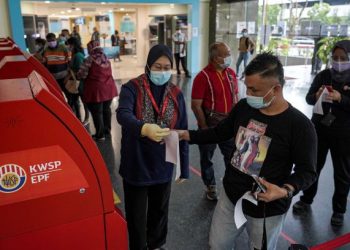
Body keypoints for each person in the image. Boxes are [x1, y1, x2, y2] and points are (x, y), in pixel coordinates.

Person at [179, 52, 317, 250]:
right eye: (247, 88)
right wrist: (188, 135)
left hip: (266, 207)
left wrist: (285, 190)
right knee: (217, 244)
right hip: (231, 194)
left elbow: (308, 171)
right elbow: (221, 132)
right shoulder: (244, 107)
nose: (249, 95)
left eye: (254, 90)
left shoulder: (299, 126)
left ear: (276, 89)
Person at [116, 44, 189, 250]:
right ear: (148, 66)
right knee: (136, 215)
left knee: (159, 211)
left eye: (167, 67)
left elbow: (182, 130)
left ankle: (156, 245)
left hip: (164, 163)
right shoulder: (132, 88)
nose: (162, 71)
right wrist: (143, 127)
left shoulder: (175, 93)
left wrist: (183, 167)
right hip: (137, 163)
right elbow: (123, 114)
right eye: (158, 66)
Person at [292, 40, 350, 227]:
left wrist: (341, 98)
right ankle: (306, 198)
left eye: (343, 58)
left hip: (344, 133)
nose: (338, 61)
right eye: (335, 58)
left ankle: (339, 210)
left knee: (342, 173)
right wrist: (316, 96)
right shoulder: (324, 75)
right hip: (319, 129)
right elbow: (309, 99)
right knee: (313, 166)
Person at [191, 42, 239, 200]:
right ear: (216, 57)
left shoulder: (231, 73)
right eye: (226, 54)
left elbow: (236, 99)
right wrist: (204, 128)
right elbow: (196, 105)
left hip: (229, 125)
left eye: (229, 53)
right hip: (209, 126)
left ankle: (231, 185)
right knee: (207, 158)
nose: (229, 57)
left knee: (231, 157)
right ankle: (210, 186)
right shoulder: (202, 77)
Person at [77, 40, 117, 141]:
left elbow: (82, 74)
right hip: (109, 88)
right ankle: (107, 132)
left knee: (97, 112)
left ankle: (100, 135)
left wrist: (78, 75)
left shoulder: (89, 59)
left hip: (96, 90)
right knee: (106, 110)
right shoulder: (106, 57)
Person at [66, 37, 89, 124]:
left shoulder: (78, 55)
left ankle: (86, 118)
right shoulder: (74, 54)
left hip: (79, 82)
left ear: (73, 45)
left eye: (69, 44)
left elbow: (80, 71)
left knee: (83, 101)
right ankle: (78, 118)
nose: (68, 46)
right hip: (76, 82)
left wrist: (69, 76)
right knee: (75, 100)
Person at [43, 33, 70, 97]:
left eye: (52, 40)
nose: (51, 42)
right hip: (53, 78)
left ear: (55, 39)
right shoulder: (46, 50)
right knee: (58, 95)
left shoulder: (63, 47)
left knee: (68, 94)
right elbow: (45, 61)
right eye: (49, 41)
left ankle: (72, 106)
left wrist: (68, 74)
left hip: (64, 76)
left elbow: (69, 59)